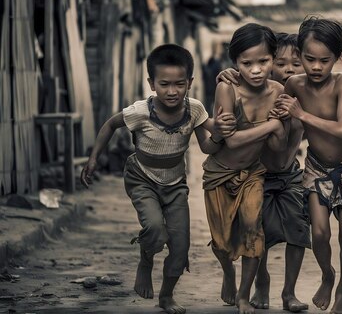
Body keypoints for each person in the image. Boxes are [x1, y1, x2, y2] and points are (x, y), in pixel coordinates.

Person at [80, 43, 236, 314]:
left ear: (190, 82)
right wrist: (94, 158)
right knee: (155, 229)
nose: (172, 91)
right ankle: (146, 257)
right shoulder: (140, 111)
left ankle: (166, 295)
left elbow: (209, 146)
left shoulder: (195, 109)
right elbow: (109, 125)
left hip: (176, 185)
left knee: (180, 245)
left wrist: (221, 132)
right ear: (152, 83)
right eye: (164, 84)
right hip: (141, 179)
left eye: (179, 84)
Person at [275, 16, 342, 314]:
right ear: (300, 55)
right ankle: (328, 275)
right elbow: (273, 103)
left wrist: (301, 115)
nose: (316, 67)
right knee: (318, 234)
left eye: (325, 60)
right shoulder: (293, 84)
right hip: (316, 169)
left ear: (338, 58)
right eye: (309, 59)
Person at [214, 32, 311, 312]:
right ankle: (262, 282)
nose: (288, 69)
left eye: (296, 63)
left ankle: (289, 293)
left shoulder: (308, 94)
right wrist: (228, 73)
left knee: (298, 231)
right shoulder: (261, 90)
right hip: (259, 174)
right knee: (258, 234)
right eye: (280, 63)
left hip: (290, 173)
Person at [202, 23, 286, 314]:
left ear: (273, 58)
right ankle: (228, 272)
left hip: (252, 173)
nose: (255, 70)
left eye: (263, 61)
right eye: (246, 63)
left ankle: (242, 295)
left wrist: (280, 127)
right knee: (221, 244)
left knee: (253, 229)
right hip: (219, 174)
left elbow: (277, 147)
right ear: (234, 63)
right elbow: (232, 141)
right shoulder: (227, 88)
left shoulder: (278, 91)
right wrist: (271, 125)